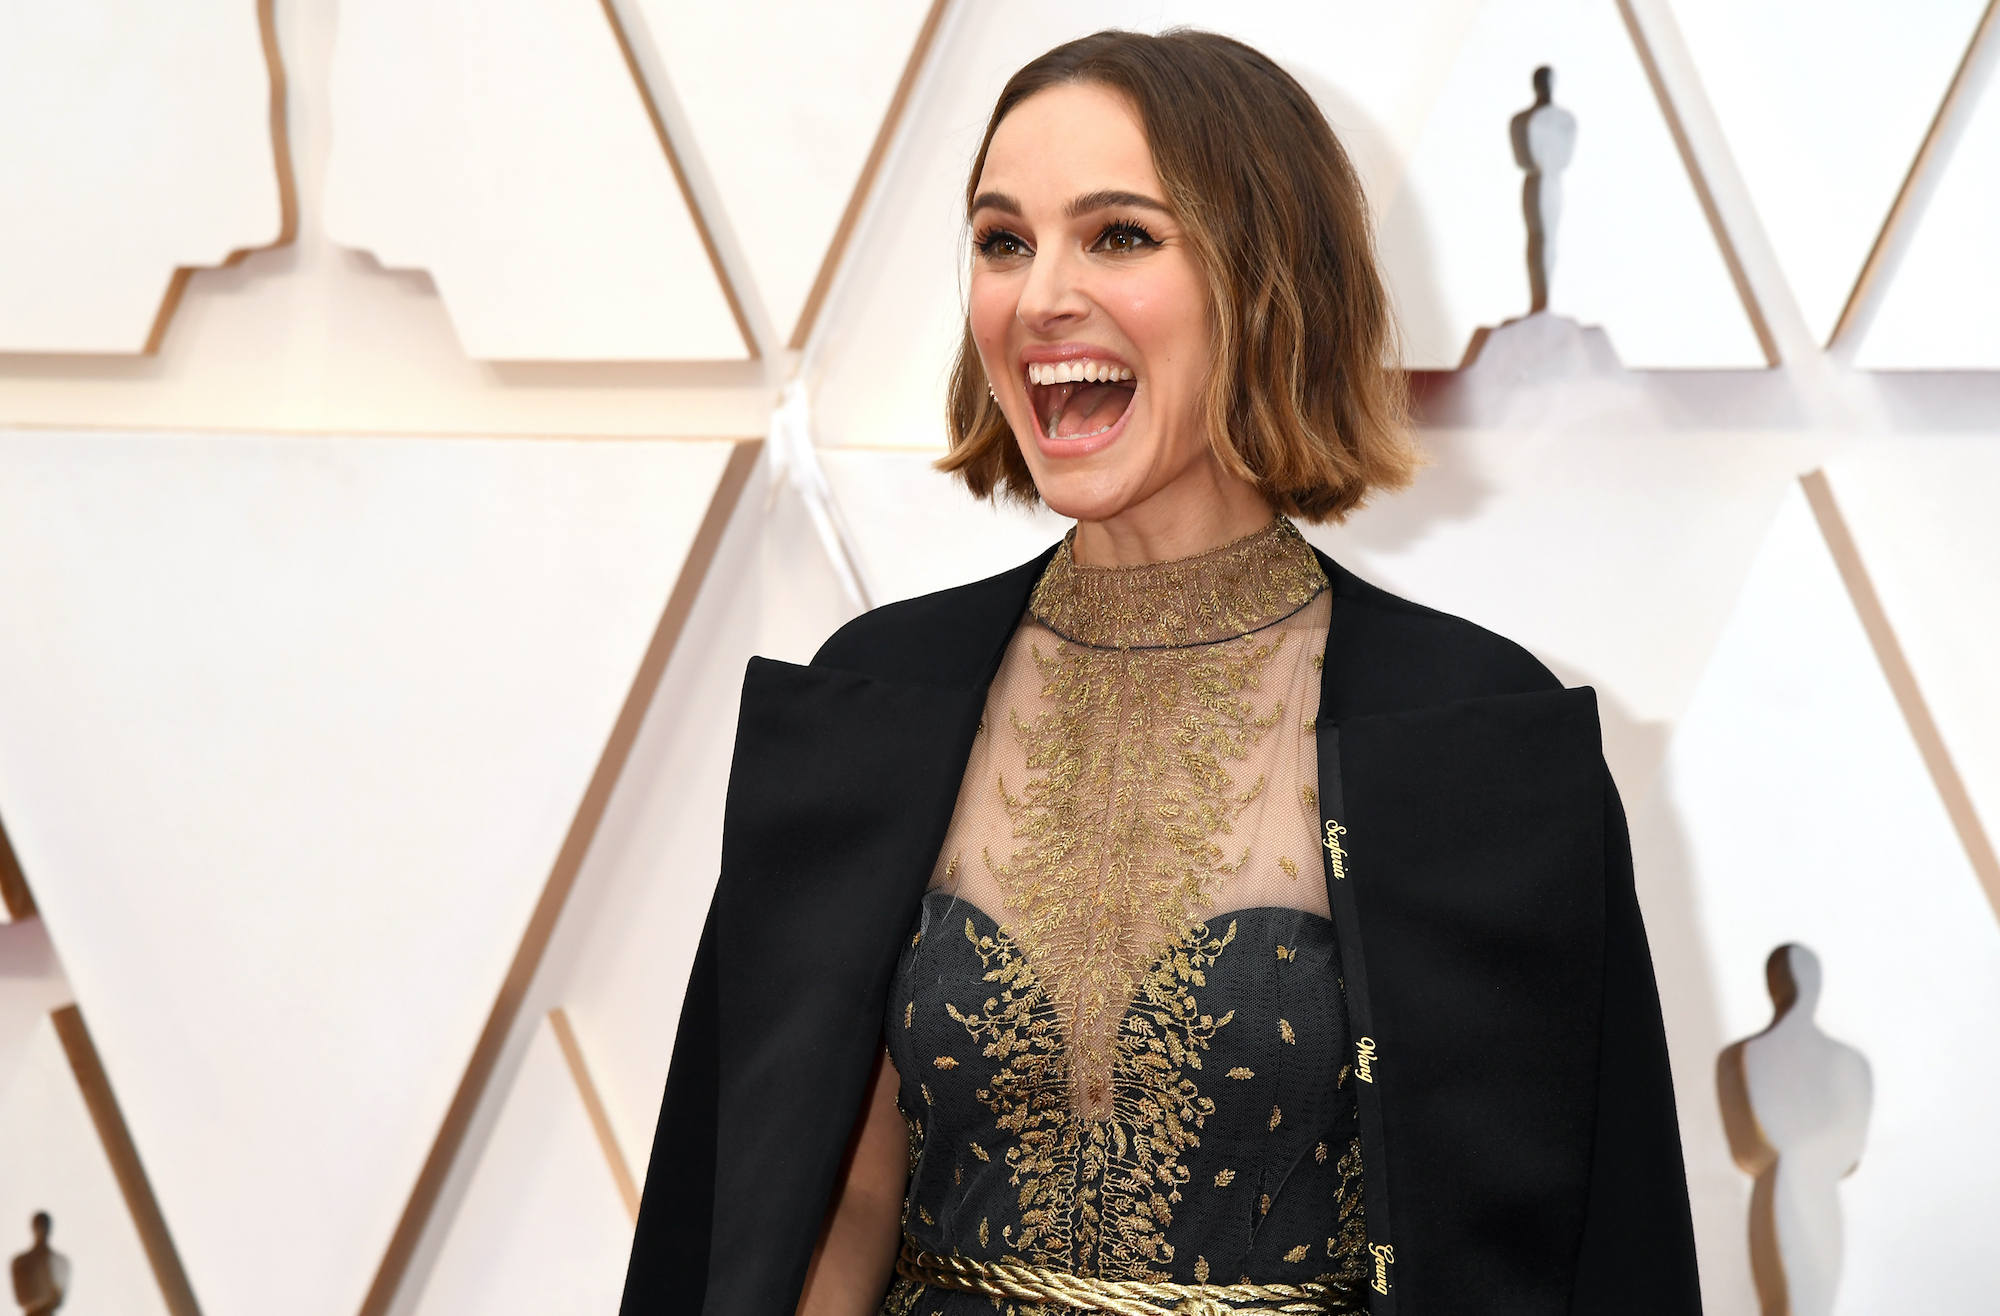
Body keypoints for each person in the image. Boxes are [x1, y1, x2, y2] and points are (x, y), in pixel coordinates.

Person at [620, 29, 1699, 1316]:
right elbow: (822, 1202)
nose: (1040, 297)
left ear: (1266, 282)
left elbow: (1591, 1253)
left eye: (1119, 236)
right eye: (1003, 240)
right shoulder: (871, 700)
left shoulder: (1478, 739)